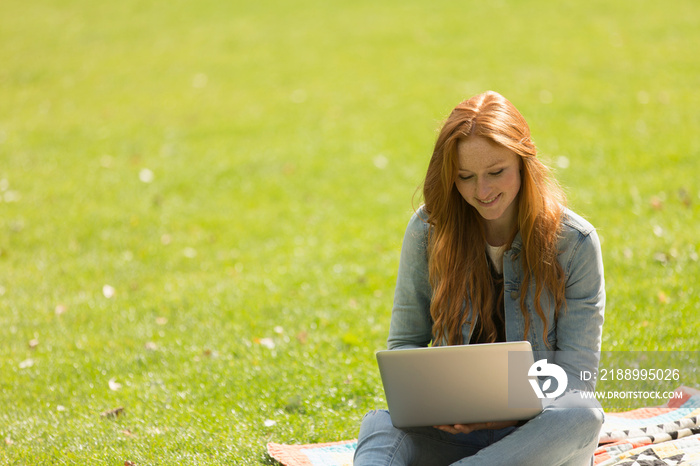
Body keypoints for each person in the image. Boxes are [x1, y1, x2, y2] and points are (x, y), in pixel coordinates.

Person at [354, 91, 605, 465]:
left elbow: (576, 377)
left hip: (534, 436)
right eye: (466, 177)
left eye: (496, 172)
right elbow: (405, 342)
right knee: (380, 424)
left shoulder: (575, 243)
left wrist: (508, 412)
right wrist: (439, 403)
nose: (483, 191)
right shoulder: (428, 230)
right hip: (449, 433)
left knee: (584, 415)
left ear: (523, 163)